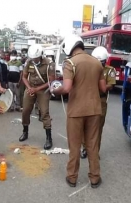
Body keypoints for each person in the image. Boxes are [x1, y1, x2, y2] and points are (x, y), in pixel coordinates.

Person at [51, 34, 107, 188]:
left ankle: (72, 177)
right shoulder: (97, 63)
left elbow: (67, 88)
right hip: (95, 109)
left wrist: (55, 91)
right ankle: (95, 177)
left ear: (69, 47)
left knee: (75, 146)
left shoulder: (70, 63)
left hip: (76, 111)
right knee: (92, 145)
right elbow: (103, 88)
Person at [80, 46, 116, 159]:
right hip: (87, 99)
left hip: (100, 100)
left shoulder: (110, 70)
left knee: (98, 127)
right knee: (85, 125)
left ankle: (95, 151)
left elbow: (111, 85)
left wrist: (100, 87)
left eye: (102, 62)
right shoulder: (88, 68)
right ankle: (85, 148)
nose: (99, 64)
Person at [19, 44, 55, 150]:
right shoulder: (28, 62)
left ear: (40, 55)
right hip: (30, 88)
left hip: (43, 90)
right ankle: (25, 132)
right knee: (25, 110)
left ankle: (49, 138)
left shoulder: (49, 64)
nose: (34, 60)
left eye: (36, 58)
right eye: (32, 58)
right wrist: (29, 87)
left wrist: (37, 89)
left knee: (44, 112)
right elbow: (24, 77)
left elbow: (51, 81)